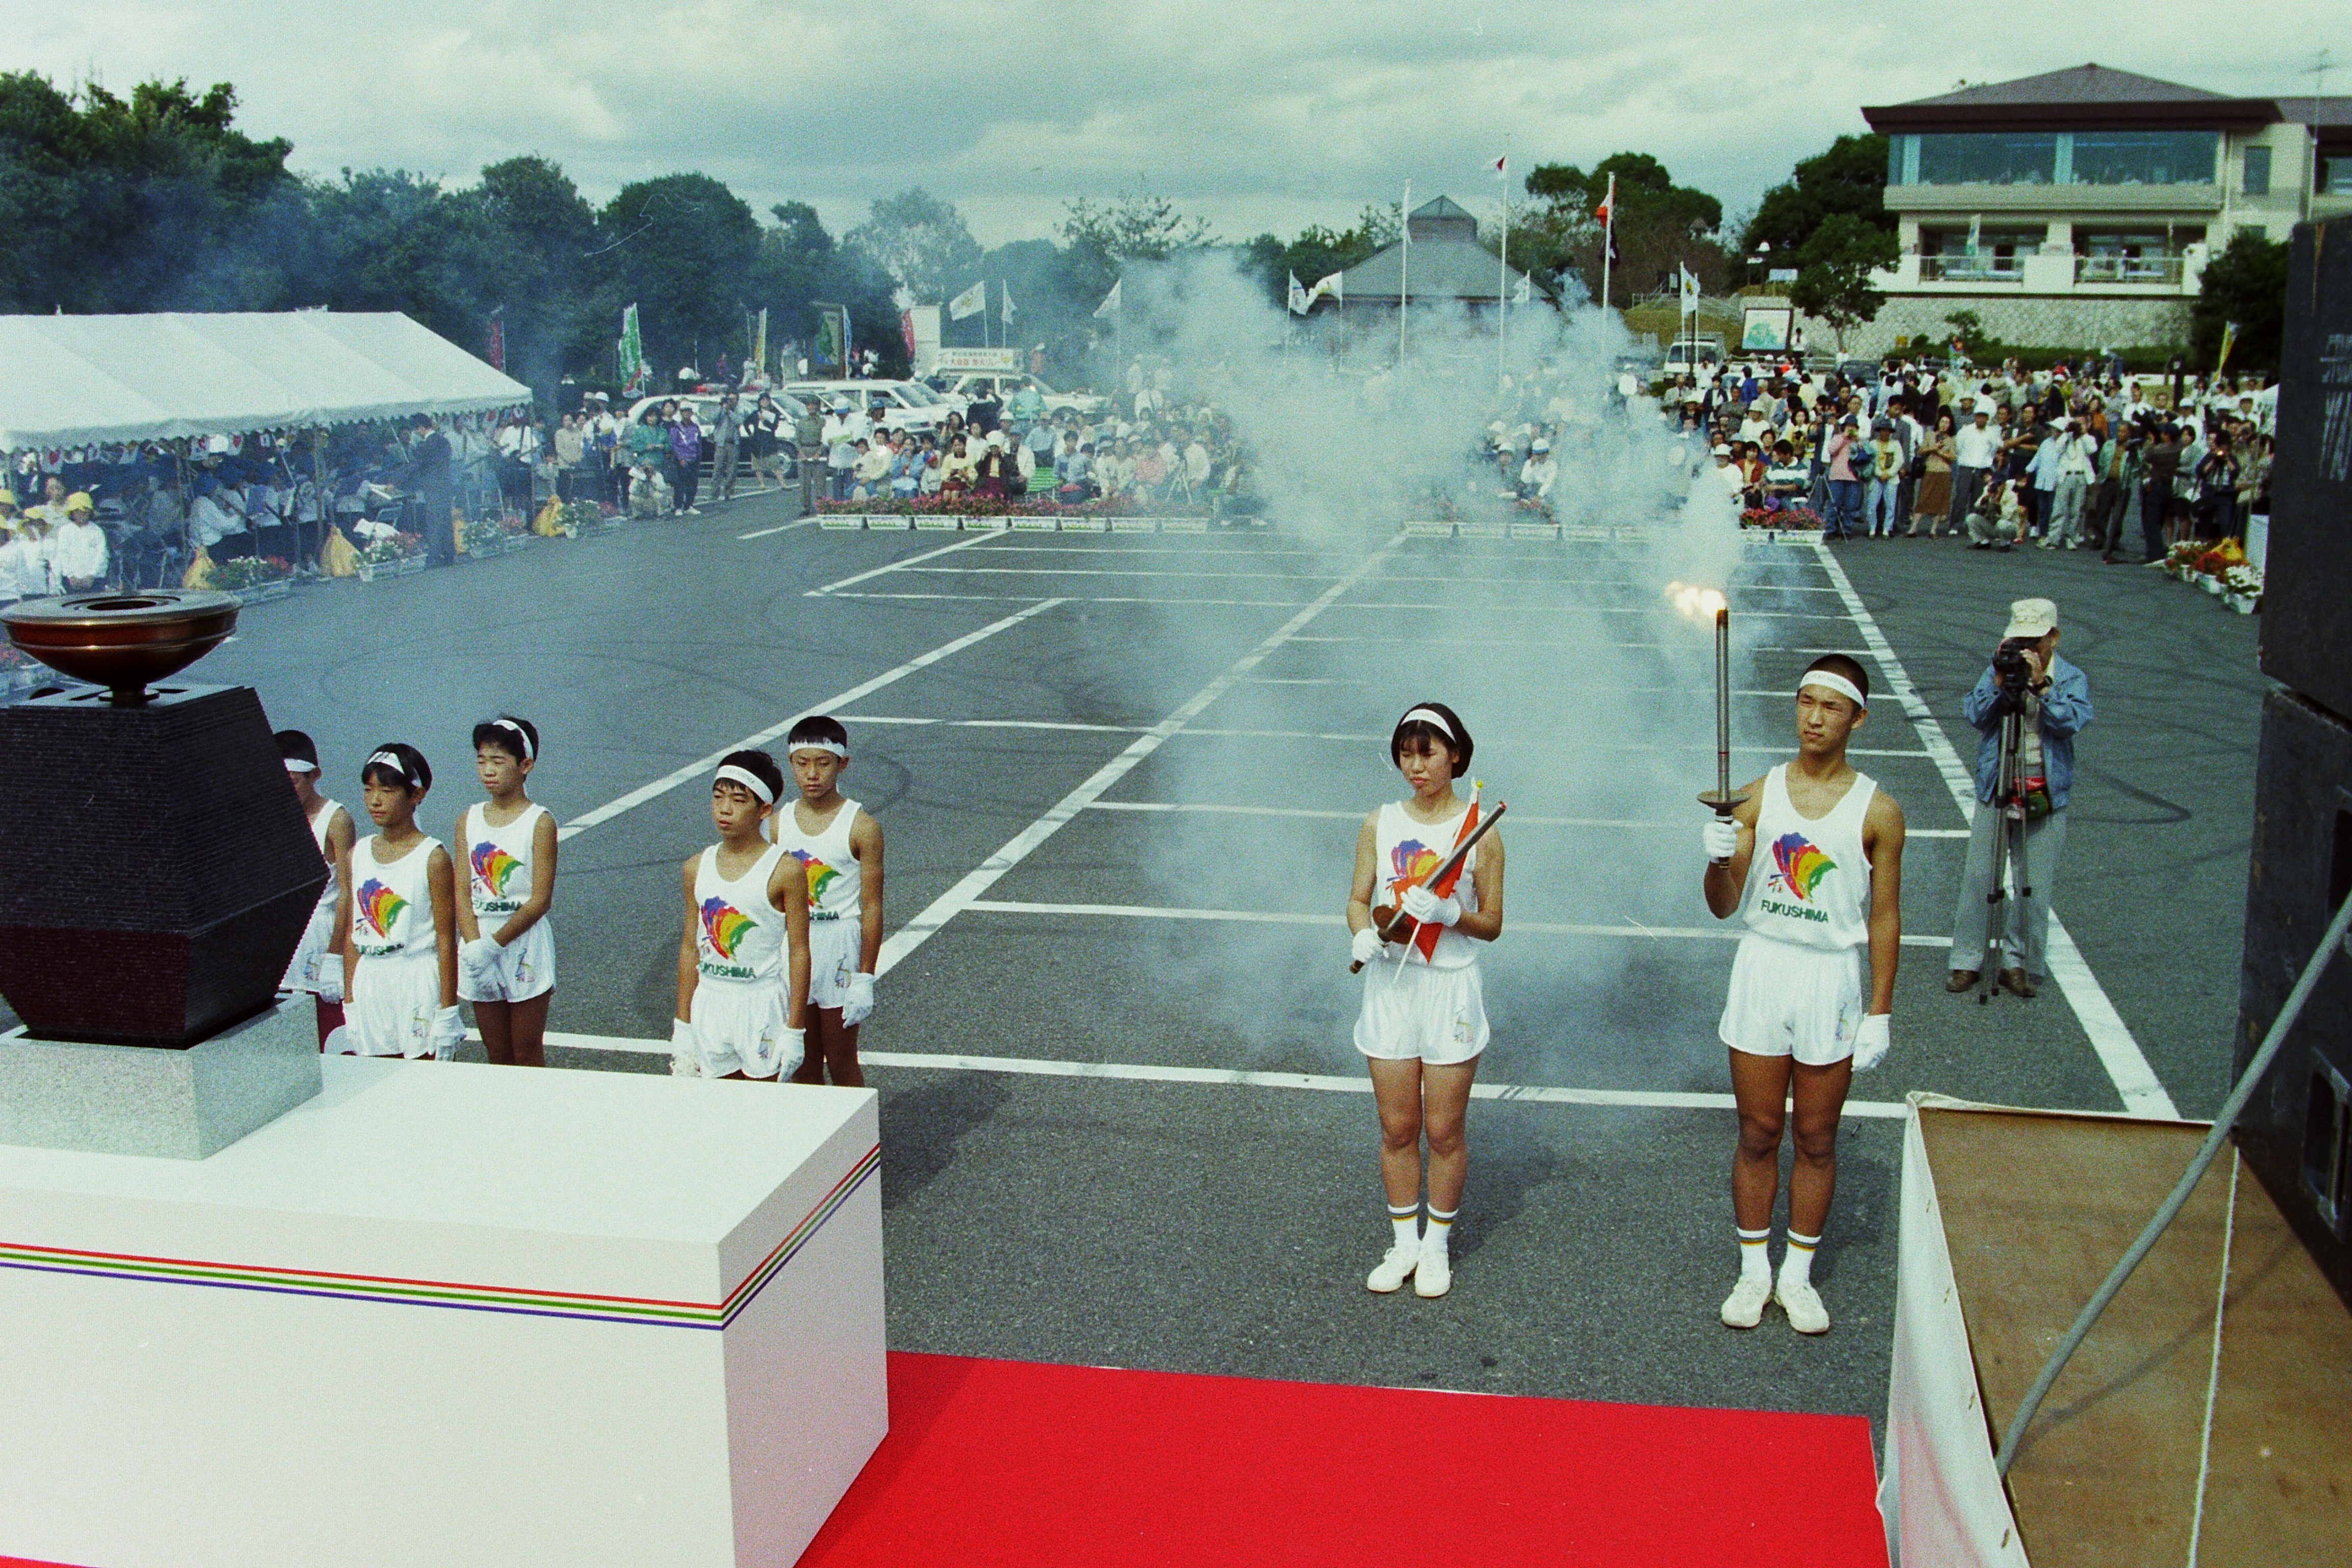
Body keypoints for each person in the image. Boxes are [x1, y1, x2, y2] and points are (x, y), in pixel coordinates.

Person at [1702, 655, 1905, 1335]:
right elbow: (1723, 906)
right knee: (1759, 1131)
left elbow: (1884, 916)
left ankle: (1798, 1276)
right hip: (1765, 967)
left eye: (1831, 706)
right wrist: (1716, 855)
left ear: (1857, 718)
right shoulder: (1760, 795)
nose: (1814, 717)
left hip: (1830, 978)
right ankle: (1754, 1270)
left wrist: (1880, 1009)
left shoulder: (1879, 810)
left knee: (1817, 1137)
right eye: (1805, 702)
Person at [1348, 703, 1507, 1300]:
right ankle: (1404, 1243)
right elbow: (1358, 900)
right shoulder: (1379, 821)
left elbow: (1493, 923)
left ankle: (1437, 1245)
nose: (1415, 766)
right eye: (1406, 753)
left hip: (1449, 988)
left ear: (1457, 757)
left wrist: (1449, 913)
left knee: (1443, 1130)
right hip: (1391, 985)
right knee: (1397, 1127)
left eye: (1428, 753)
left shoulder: (1479, 829)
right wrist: (1361, 931)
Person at [1946, 599, 2090, 999]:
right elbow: (1974, 716)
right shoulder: (1999, 670)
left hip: (2044, 791)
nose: (2028, 650)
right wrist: (1996, 681)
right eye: (2019, 639)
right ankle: (1966, 960)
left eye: (2036, 641)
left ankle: (2019, 962)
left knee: (2035, 884)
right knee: (1980, 878)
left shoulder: (2072, 678)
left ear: (2054, 638)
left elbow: (2071, 723)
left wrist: (2043, 684)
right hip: (1998, 786)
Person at [673, 751, 810, 1082]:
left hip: (761, 1005)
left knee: (762, 1113)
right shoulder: (696, 867)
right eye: (718, 797)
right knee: (716, 1114)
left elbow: (799, 951)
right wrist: (682, 1025)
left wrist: (795, 1029)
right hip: (710, 1002)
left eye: (738, 800)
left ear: (764, 809)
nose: (725, 809)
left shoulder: (785, 870)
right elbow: (691, 947)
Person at [334, 744, 462, 1061]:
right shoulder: (358, 854)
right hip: (370, 981)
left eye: (388, 791)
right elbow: (354, 932)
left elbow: (446, 940)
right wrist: (349, 997)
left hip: (415, 981)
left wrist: (447, 1011)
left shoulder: (433, 857)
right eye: (368, 790)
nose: (375, 801)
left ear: (416, 795)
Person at [776, 717, 884, 1088]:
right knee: (802, 1063)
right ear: (791, 764)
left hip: (839, 945)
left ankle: (862, 1144)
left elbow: (871, 906)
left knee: (840, 1059)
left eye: (823, 763)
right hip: (794, 947)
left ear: (843, 764)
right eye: (802, 764)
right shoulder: (778, 825)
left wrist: (865, 977)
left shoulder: (861, 826)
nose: (812, 774)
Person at [455, 717, 559, 1068]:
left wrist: (492, 945)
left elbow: (540, 899)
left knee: (526, 1052)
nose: (488, 771)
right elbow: (463, 894)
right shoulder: (468, 819)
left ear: (525, 765)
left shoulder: (539, 822)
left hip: (522, 944)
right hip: (477, 945)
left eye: (498, 762)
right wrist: (473, 949)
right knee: (497, 1054)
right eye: (482, 761)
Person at [276, 729, 356, 1048]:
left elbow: (348, 893)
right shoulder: (273, 816)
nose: (286, 790)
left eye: (294, 781)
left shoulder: (336, 820)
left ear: (315, 776)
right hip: (283, 941)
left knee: (329, 1038)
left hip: (321, 938)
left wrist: (336, 957)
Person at [397, 415, 457, 568]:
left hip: (432, 487)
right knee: (446, 519)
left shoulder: (425, 446)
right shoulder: (444, 441)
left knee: (434, 522)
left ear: (421, 428)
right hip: (446, 486)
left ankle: (435, 556)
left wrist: (396, 482)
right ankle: (449, 554)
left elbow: (415, 467)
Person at [1908, 410, 1955, 536]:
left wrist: (1940, 453)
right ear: (1938, 423)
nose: (1944, 425)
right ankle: (1913, 528)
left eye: (1947, 423)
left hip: (1944, 471)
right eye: (1942, 422)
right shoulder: (1930, 435)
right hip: (1930, 469)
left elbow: (1953, 457)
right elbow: (1921, 451)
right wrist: (1933, 448)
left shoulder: (1951, 440)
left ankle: (1933, 529)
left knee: (1940, 500)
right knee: (1923, 498)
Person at [669, 405, 704, 516]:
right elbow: (674, 445)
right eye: (684, 412)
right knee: (680, 484)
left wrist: (699, 456)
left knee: (693, 483)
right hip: (682, 459)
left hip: (694, 458)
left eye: (689, 412)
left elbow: (699, 443)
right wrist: (680, 458)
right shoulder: (676, 428)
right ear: (681, 413)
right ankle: (678, 506)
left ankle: (689, 505)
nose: (687, 414)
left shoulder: (695, 427)